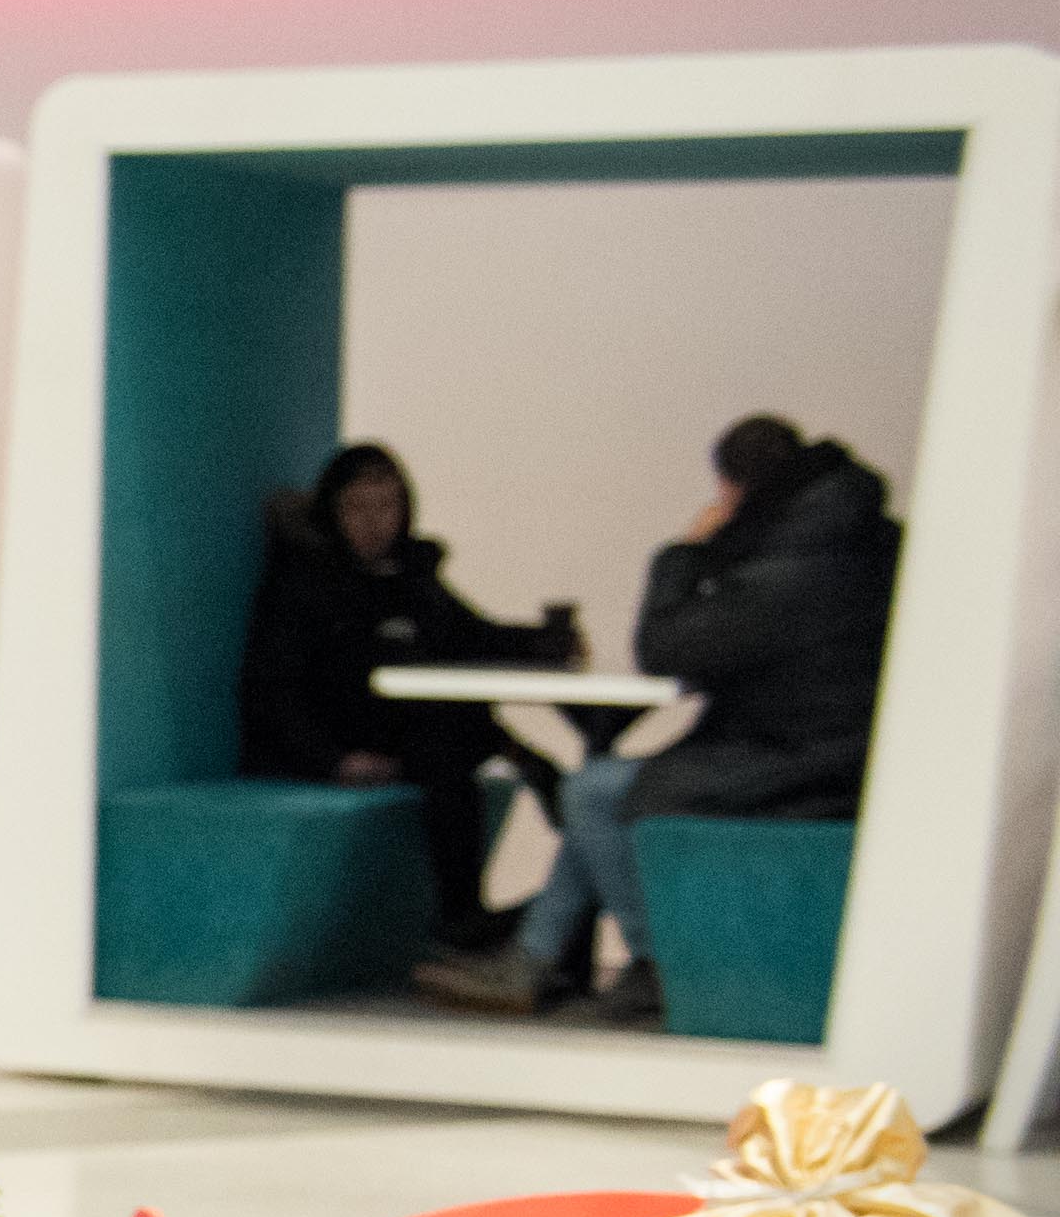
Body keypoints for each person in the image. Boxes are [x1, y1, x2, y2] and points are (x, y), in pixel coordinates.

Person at [429, 415, 903, 1023]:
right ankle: (537, 956)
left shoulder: (794, 562)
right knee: (600, 786)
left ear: (732, 489)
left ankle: (656, 965)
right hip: (827, 752)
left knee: (595, 790)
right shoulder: (849, 538)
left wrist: (685, 552)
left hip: (801, 767)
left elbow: (666, 647)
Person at [242, 443, 584, 962]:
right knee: (448, 739)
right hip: (339, 740)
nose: (374, 523)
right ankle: (462, 913)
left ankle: (550, 886)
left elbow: (473, 636)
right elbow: (272, 691)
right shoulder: (303, 586)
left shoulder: (412, 576)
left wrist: (547, 642)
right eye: (357, 507)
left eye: (387, 506)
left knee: (454, 721)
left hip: (413, 731)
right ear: (333, 510)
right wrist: (333, 761)